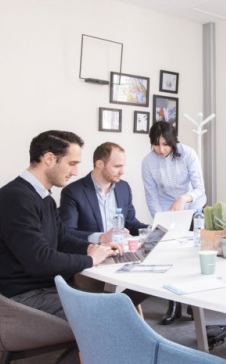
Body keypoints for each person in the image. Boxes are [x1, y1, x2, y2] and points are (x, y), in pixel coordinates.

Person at [0, 130, 119, 364]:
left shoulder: (41, 196)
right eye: (72, 163)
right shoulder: (16, 199)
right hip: (17, 299)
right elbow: (39, 259)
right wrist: (90, 260)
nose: (77, 172)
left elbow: (61, 238)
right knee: (111, 317)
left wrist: (93, 249)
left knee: (112, 307)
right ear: (49, 159)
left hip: (32, 289)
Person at [59, 141, 150, 303]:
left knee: (152, 278)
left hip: (121, 256)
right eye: (117, 166)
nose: (122, 172)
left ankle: (117, 310)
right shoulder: (73, 192)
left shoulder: (123, 188)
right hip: (92, 262)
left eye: (123, 166)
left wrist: (152, 230)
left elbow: (130, 223)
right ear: (99, 164)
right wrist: (101, 238)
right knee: (121, 295)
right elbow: (66, 233)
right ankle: (115, 310)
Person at [141, 121, 206, 324]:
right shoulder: (148, 162)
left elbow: (199, 189)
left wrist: (183, 199)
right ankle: (173, 304)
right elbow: (151, 196)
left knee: (192, 254)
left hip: (192, 205)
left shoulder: (188, 154)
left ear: (173, 141)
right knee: (170, 255)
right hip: (166, 209)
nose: (161, 149)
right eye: (156, 144)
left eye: (165, 144)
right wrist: (161, 220)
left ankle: (194, 302)